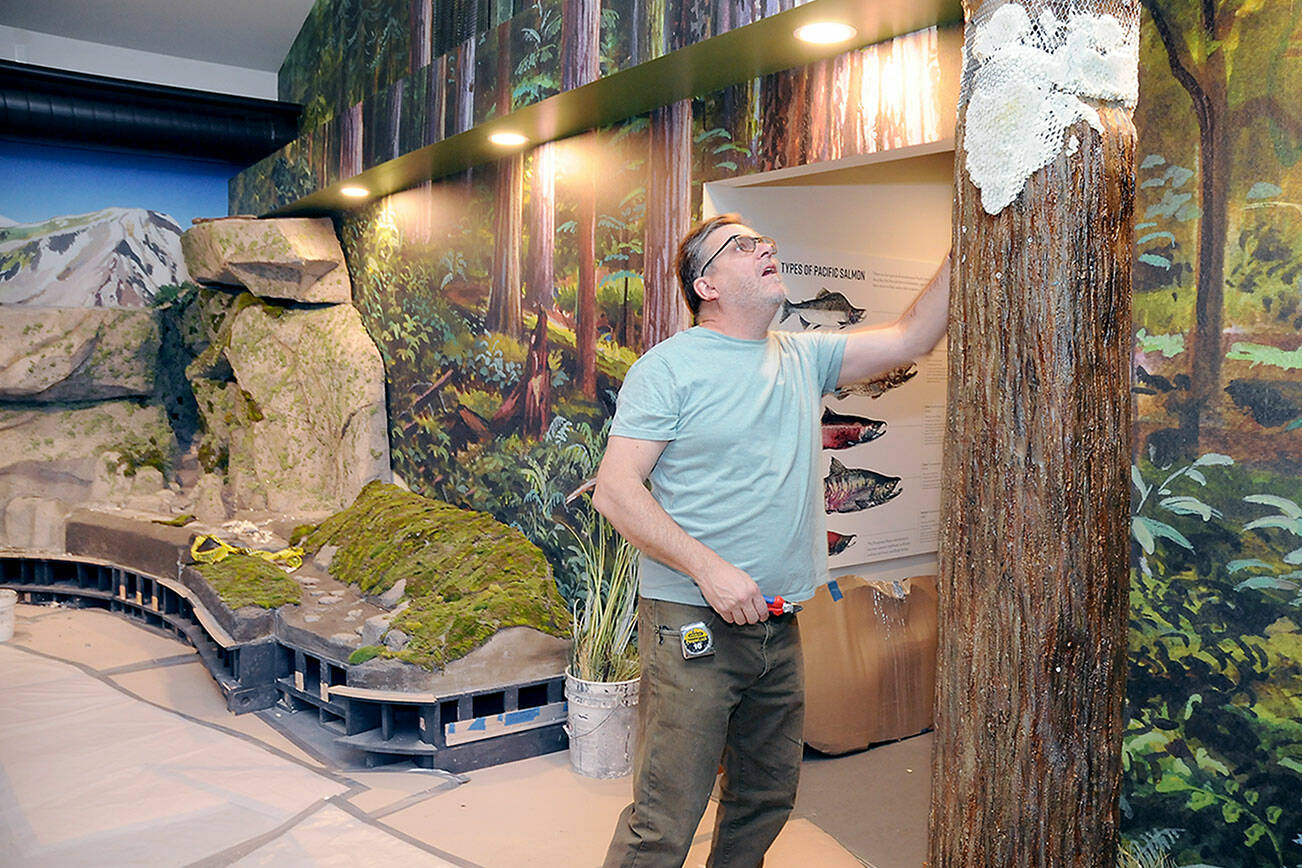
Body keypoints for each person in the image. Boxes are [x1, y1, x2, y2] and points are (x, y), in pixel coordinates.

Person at [593, 213, 950, 867]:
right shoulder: (667, 369)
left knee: (764, 800)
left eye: (767, 242)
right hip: (693, 623)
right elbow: (616, 491)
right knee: (666, 814)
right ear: (707, 284)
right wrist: (709, 571)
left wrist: (972, 234)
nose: (766, 249)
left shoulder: (801, 356)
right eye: (743, 245)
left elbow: (913, 335)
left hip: (780, 623)